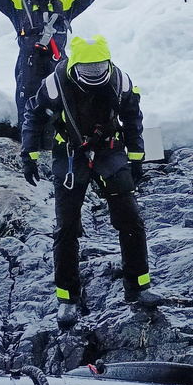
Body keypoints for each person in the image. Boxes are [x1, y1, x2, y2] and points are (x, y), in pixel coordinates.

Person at [21, 34, 162, 329]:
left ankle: (139, 285)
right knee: (67, 226)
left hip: (109, 150)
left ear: (108, 63)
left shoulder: (121, 82)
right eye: (88, 69)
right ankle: (67, 298)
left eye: (99, 68)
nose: (94, 74)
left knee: (131, 219)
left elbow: (134, 118)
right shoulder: (54, 84)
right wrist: (29, 155)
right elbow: (33, 117)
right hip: (71, 154)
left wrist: (137, 157)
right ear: (74, 66)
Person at [0, 0, 125, 137]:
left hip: (57, 69)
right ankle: (28, 159)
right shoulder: (18, 5)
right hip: (28, 69)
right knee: (29, 113)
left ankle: (57, 155)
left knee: (59, 112)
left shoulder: (64, 5)